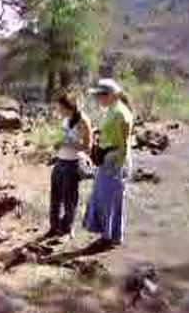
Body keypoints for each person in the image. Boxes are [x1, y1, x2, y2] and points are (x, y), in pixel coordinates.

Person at [83, 78, 134, 247]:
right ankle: (110, 236)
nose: (99, 99)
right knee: (104, 198)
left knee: (109, 200)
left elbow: (125, 141)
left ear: (112, 95)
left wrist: (121, 165)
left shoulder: (120, 113)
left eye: (101, 95)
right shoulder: (112, 110)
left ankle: (109, 237)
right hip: (107, 159)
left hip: (114, 161)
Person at [46, 95, 93, 239]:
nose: (58, 111)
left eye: (61, 108)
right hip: (61, 160)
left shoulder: (83, 120)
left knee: (69, 199)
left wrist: (66, 145)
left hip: (73, 163)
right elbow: (66, 138)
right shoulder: (66, 119)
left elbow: (87, 146)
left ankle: (67, 229)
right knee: (55, 197)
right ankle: (54, 228)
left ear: (69, 107)